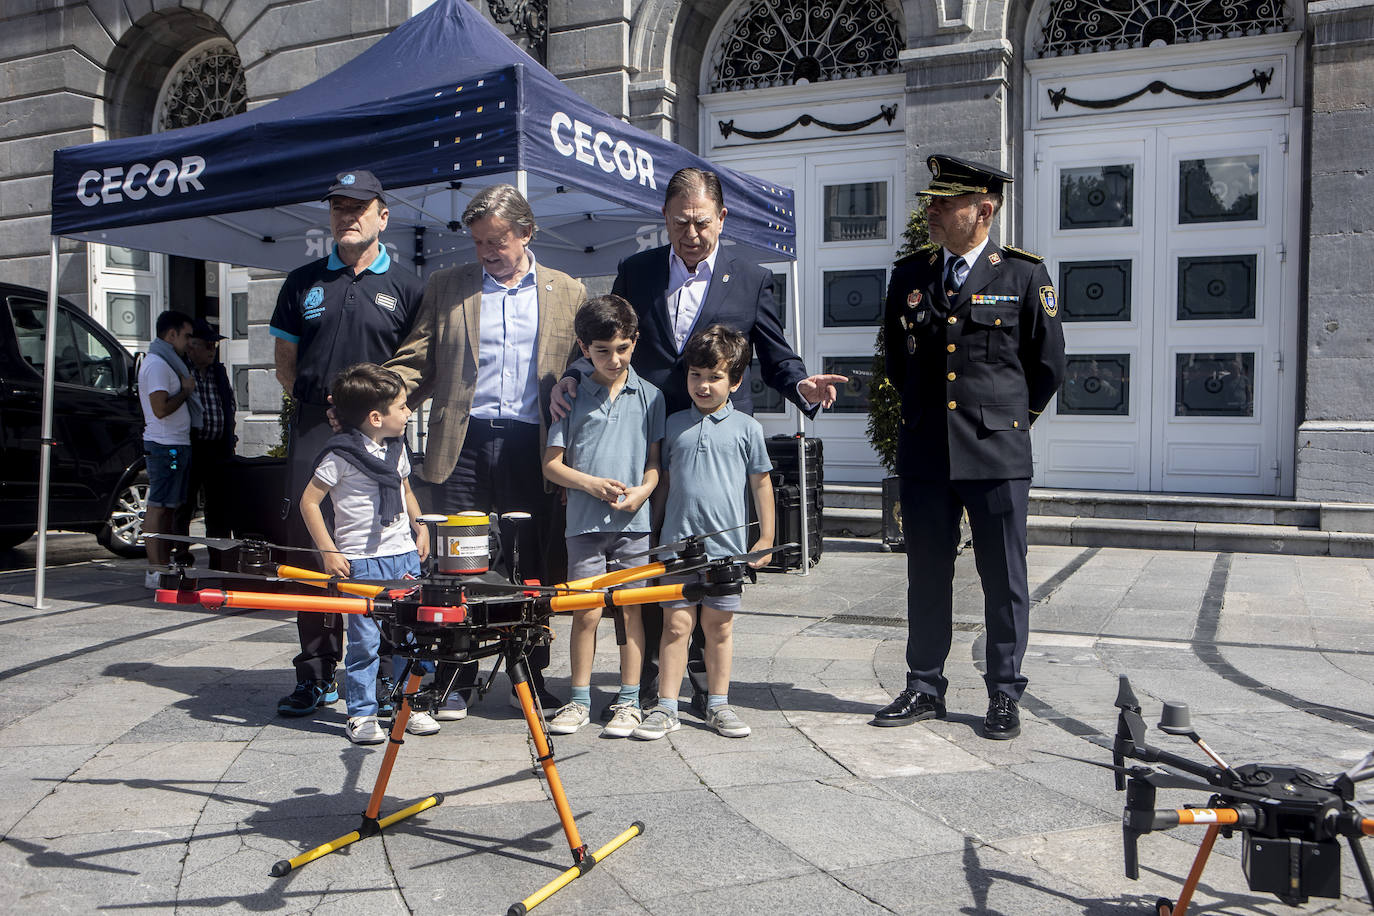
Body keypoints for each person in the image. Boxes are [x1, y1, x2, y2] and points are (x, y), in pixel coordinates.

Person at [550, 166, 845, 716]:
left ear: (722, 219)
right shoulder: (636, 270)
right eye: (681, 222)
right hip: (647, 438)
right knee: (651, 559)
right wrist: (572, 373)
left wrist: (801, 383)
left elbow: (775, 352)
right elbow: (606, 335)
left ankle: (712, 689)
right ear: (664, 218)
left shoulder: (751, 277)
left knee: (711, 565)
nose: (691, 233)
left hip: (715, 444)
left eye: (702, 223)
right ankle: (650, 686)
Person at [873, 155, 1066, 740]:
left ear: (984, 210)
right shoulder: (910, 274)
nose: (930, 210)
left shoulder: (1024, 276)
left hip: (996, 454)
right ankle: (924, 685)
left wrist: (1008, 424)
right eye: (931, 200)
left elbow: (1048, 365)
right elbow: (897, 360)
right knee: (926, 573)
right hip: (928, 451)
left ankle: (1004, 691)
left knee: (1002, 576)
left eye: (944, 202)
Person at [387, 183, 584, 711]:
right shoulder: (448, 285)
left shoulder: (568, 290)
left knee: (531, 564)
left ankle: (531, 675)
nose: (487, 252)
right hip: (463, 443)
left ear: (526, 232)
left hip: (533, 444)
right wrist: (375, 398)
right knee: (458, 566)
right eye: (478, 243)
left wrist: (576, 382)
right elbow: (417, 357)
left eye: (496, 241)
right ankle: (455, 676)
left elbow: (584, 362)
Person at [269, 169, 423, 718]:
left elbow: (415, 366)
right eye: (338, 207)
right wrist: (329, 412)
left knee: (382, 548)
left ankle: (386, 674)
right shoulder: (302, 282)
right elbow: (285, 365)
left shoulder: (407, 286)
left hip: (379, 436)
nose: (348, 216)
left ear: (384, 215)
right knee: (312, 550)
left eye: (359, 207)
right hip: (316, 426)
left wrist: (372, 418)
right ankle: (316, 674)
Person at [632, 325, 774, 741]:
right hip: (676, 549)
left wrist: (765, 539)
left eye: (714, 377)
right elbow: (664, 485)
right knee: (676, 628)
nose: (704, 385)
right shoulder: (673, 424)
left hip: (726, 552)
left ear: (735, 380)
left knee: (719, 628)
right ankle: (666, 707)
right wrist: (652, 537)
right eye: (696, 375)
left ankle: (718, 704)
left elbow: (761, 484)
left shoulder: (749, 429)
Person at [541, 295, 665, 738]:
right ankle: (578, 700)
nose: (614, 359)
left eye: (623, 349)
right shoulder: (571, 396)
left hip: (634, 525)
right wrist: (591, 484)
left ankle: (629, 701)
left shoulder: (651, 397)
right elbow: (552, 464)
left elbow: (654, 464)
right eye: (602, 350)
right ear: (582, 347)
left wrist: (644, 491)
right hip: (584, 524)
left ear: (635, 342)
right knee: (585, 612)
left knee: (632, 612)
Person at [299, 363, 438, 745]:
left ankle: (411, 705)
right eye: (403, 407)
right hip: (360, 560)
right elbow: (309, 502)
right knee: (364, 641)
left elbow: (406, 489)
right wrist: (329, 551)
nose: (409, 412)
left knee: (413, 634)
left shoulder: (396, 449)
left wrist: (420, 525)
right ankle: (361, 713)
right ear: (376, 417)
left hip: (403, 555)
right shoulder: (340, 454)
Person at [139, 310, 198, 589]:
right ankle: (155, 568)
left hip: (175, 444)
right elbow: (160, 409)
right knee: (159, 506)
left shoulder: (169, 362)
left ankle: (163, 563)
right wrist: (185, 391)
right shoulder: (159, 365)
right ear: (170, 334)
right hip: (165, 446)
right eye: (186, 336)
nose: (189, 342)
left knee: (169, 507)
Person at [174, 319, 236, 570]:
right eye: (207, 345)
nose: (212, 350)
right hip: (192, 446)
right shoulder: (181, 371)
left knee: (218, 507)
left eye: (214, 345)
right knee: (184, 504)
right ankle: (180, 555)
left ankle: (219, 559)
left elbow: (228, 405)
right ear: (191, 346)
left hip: (218, 449)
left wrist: (230, 438)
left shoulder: (218, 371)